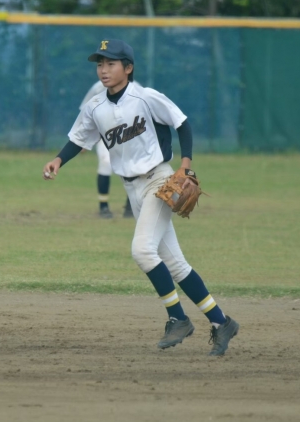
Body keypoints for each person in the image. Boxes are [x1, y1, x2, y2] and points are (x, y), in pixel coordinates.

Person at [42, 39, 239, 356]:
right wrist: (58, 160)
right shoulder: (95, 106)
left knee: (143, 251)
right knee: (175, 264)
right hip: (131, 188)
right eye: (100, 64)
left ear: (128, 68)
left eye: (111, 63)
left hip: (159, 181)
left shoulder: (145, 97)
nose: (103, 70)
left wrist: (185, 166)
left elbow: (182, 123)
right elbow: (79, 139)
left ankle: (178, 318)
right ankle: (222, 322)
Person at [79, 81, 135, 219]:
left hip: (128, 133)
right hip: (105, 133)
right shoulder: (99, 87)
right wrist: (83, 138)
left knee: (131, 166)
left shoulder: (134, 87)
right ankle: (103, 207)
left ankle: (130, 205)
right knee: (105, 162)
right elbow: (85, 111)